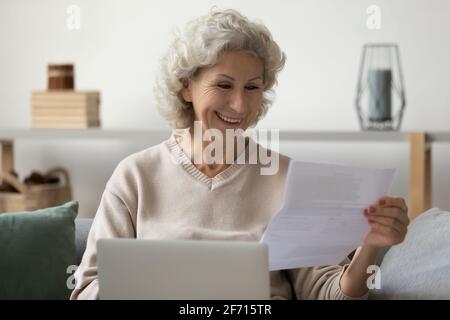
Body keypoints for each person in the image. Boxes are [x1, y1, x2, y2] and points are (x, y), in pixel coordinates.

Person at [71, 9, 409, 300]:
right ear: (186, 87)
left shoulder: (286, 178)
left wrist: (370, 247)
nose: (240, 105)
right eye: (223, 85)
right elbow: (86, 289)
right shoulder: (135, 176)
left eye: (253, 88)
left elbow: (327, 292)